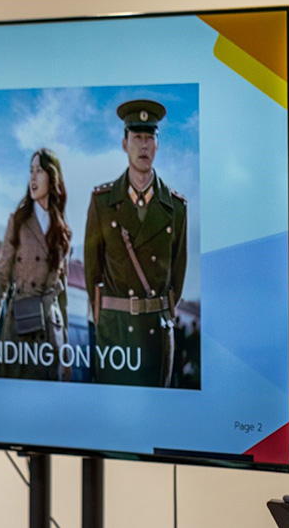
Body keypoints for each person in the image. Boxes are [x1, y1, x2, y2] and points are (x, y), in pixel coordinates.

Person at [84, 99, 187, 387]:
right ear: (124, 143)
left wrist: (159, 311)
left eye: (149, 138)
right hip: (115, 332)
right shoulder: (103, 202)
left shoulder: (176, 208)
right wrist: (103, 319)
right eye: (137, 137)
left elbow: (177, 273)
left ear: (157, 145)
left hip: (155, 330)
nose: (143, 145)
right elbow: (93, 270)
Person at [0, 148, 72, 381]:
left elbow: (63, 296)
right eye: (31, 171)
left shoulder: (62, 232)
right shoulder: (18, 221)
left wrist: (67, 350)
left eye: (39, 171)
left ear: (52, 179)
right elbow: (1, 277)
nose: (32, 178)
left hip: (50, 333)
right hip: (18, 328)